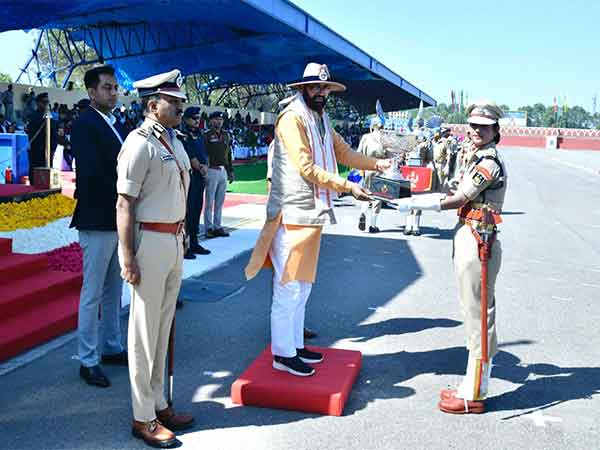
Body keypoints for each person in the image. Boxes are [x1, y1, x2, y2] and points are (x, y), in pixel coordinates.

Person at [245, 63, 390, 377]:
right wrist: (348, 186)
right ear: (303, 89)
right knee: (289, 288)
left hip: (311, 213)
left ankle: (295, 346)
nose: (322, 93)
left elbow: (346, 153)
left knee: (304, 287)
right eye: (315, 88)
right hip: (292, 213)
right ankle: (283, 354)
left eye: (325, 88)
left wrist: (378, 165)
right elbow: (306, 168)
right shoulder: (292, 119)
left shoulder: (321, 118)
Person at [394, 100, 506, 414]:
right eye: (473, 125)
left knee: (479, 314)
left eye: (484, 127)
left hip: (479, 239)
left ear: (495, 131)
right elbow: (450, 187)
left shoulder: (489, 162)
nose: (476, 131)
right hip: (469, 232)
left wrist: (417, 205)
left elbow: (459, 197)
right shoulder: (473, 157)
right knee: (472, 310)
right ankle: (472, 384)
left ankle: (474, 395)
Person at [116, 69, 194, 448]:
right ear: (152, 105)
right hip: (149, 242)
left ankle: (160, 402)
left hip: (174, 239)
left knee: (163, 328)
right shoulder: (139, 143)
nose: (180, 107)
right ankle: (142, 416)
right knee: (144, 333)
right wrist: (127, 254)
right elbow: (124, 203)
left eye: (181, 101)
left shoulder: (173, 140)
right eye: (173, 102)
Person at [70, 65, 129, 388]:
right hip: (97, 217)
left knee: (113, 290)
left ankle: (111, 347)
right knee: (92, 293)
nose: (113, 92)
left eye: (114, 87)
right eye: (107, 87)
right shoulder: (85, 124)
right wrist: (126, 196)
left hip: (115, 217)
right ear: (92, 92)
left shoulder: (115, 123)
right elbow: (92, 173)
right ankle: (87, 359)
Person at [357, 117, 397, 233]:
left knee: (366, 193)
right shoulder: (385, 139)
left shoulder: (365, 137)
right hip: (381, 169)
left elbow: (359, 153)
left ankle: (362, 213)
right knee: (378, 196)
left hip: (367, 168)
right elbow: (391, 156)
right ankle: (373, 225)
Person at [181, 106, 211, 259]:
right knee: (188, 211)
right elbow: (190, 156)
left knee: (197, 209)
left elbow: (203, 153)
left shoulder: (199, 134)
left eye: (198, 118)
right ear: (185, 118)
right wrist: (200, 167)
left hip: (199, 177)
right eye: (194, 118)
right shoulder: (183, 134)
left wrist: (205, 166)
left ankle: (194, 241)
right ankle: (184, 245)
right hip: (191, 177)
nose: (197, 121)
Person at [203, 111, 233, 238]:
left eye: (220, 120)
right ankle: (209, 227)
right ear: (210, 121)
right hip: (211, 170)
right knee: (209, 201)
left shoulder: (226, 135)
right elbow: (203, 153)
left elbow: (228, 154)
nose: (218, 122)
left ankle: (218, 226)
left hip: (223, 170)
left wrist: (230, 170)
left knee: (220, 202)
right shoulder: (206, 135)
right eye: (215, 119)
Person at [26, 93, 57, 181]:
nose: (46, 104)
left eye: (47, 102)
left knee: (47, 172)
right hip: (37, 149)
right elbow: (32, 133)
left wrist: (53, 148)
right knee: (35, 172)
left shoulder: (50, 116)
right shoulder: (33, 116)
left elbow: (54, 133)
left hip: (48, 150)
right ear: (38, 103)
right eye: (44, 102)